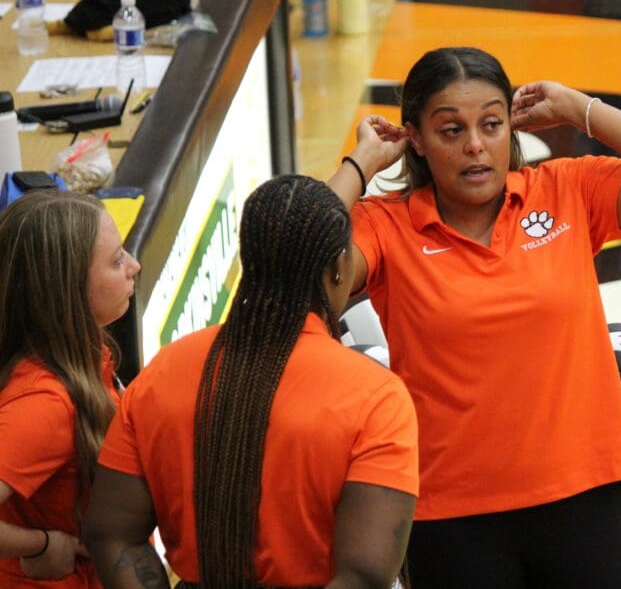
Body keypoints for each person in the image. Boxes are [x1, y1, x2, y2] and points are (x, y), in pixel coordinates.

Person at [328, 46, 621, 588]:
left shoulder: (564, 191)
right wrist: (361, 164)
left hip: (585, 500)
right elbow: (300, 261)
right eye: (451, 130)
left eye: (491, 124)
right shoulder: (384, 226)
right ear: (414, 138)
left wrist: (580, 109)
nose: (475, 145)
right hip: (451, 518)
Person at [84, 175, 419, 589]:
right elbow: (365, 574)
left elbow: (111, 533)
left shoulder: (163, 372)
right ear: (338, 269)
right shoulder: (376, 397)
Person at [0, 190, 141, 587]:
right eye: (117, 260)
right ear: (67, 288)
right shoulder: (45, 404)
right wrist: (39, 545)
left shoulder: (82, 358)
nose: (135, 265)